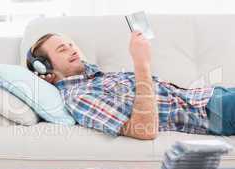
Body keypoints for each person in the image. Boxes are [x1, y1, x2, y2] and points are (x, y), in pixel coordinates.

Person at [26, 33, 235, 140]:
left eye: (71, 45)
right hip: (212, 111)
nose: (72, 50)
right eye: (62, 49)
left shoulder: (91, 76)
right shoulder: (78, 97)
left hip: (212, 95)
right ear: (46, 70)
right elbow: (144, 130)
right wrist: (141, 63)